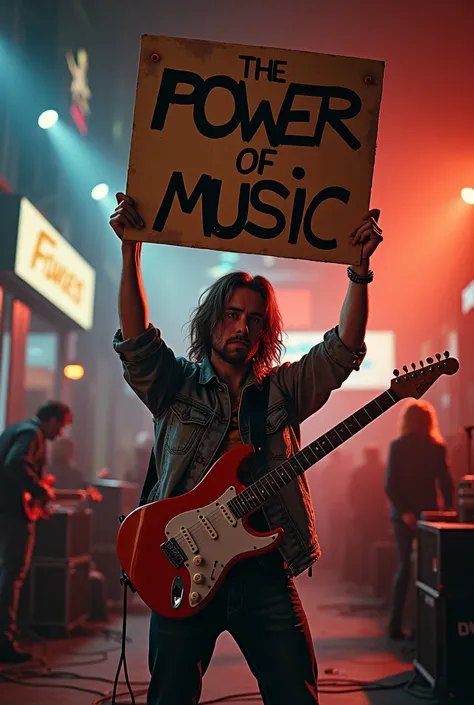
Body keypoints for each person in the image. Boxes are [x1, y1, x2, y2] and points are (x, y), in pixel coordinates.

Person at [110, 192, 383, 705]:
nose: (242, 327)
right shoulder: (177, 386)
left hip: (263, 567)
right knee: (170, 697)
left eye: (254, 319)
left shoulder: (280, 390)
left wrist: (359, 274)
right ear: (212, 320)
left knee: (296, 695)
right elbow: (137, 341)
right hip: (184, 568)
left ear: (265, 329)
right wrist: (131, 254)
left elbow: (341, 351)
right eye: (232, 315)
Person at [0, 401, 72, 662]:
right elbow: (15, 463)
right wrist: (41, 491)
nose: (61, 433)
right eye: (62, 426)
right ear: (51, 420)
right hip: (13, 515)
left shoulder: (16, 429)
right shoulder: (32, 434)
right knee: (12, 575)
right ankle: (4, 642)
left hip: (6, 510)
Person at [385, 400, 454, 639]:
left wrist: (404, 512)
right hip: (429, 516)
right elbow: (446, 483)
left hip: (404, 517)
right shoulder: (436, 447)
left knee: (404, 568)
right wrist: (450, 509)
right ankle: (424, 627)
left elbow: (390, 485)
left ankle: (395, 626)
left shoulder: (397, 446)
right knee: (429, 573)